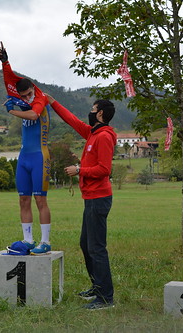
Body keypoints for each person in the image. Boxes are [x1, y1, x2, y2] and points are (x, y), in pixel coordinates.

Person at [46, 94, 117, 310]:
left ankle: (106, 298)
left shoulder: (104, 137)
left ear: (100, 113)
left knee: (96, 248)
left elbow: (105, 170)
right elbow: (72, 121)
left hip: (99, 198)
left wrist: (79, 170)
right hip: (91, 199)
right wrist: (53, 102)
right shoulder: (92, 133)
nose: (90, 111)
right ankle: (98, 286)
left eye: (93, 108)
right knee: (86, 244)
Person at [0, 42, 52, 255]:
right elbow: (9, 76)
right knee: (23, 199)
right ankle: (28, 240)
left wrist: (12, 111)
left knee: (40, 199)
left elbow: (33, 115)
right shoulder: (19, 92)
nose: (27, 98)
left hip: (40, 156)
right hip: (24, 157)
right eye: (23, 96)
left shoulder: (40, 98)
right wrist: (4, 60)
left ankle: (45, 241)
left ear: (33, 90)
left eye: (28, 94)